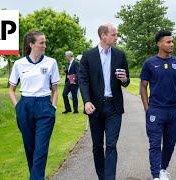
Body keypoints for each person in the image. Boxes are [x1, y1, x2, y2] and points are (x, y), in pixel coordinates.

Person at [78, 23, 130, 180]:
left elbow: (126, 81)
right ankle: (102, 176)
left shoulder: (120, 55)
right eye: (114, 34)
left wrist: (125, 79)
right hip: (95, 107)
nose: (116, 37)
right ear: (103, 36)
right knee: (97, 146)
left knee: (112, 145)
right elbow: (83, 80)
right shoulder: (88, 56)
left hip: (114, 107)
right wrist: (86, 101)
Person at [8, 31, 60, 180]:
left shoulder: (51, 62)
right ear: (31, 44)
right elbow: (11, 90)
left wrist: (53, 107)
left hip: (45, 107)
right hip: (25, 106)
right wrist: (18, 107)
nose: (45, 45)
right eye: (41, 43)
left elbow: (55, 90)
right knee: (30, 148)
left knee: (41, 150)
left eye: (45, 42)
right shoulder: (19, 64)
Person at [140, 30, 176, 180]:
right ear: (159, 44)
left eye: (172, 41)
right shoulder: (149, 63)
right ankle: (156, 176)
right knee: (154, 144)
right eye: (168, 42)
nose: (171, 44)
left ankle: (163, 169)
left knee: (170, 144)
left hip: (174, 111)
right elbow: (143, 87)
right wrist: (147, 109)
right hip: (156, 111)